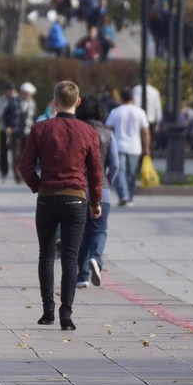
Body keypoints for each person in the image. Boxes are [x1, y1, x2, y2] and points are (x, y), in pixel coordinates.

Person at [18, 81, 103, 331]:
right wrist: (95, 201)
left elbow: (24, 165)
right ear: (77, 102)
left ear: (54, 101)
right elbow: (96, 171)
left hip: (47, 198)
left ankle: (47, 312)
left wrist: (38, 185)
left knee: (46, 254)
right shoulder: (89, 132)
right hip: (76, 199)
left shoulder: (40, 129)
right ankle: (66, 315)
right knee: (70, 257)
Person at [75, 95, 119, 290]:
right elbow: (115, 164)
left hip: (78, 190)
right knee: (99, 230)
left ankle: (82, 275)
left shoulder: (76, 132)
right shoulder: (108, 134)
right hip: (103, 190)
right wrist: (109, 180)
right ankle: (96, 258)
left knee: (81, 233)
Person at [105, 88, 150, 207]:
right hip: (135, 147)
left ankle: (124, 196)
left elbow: (108, 128)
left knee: (120, 172)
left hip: (119, 146)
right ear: (132, 99)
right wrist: (147, 148)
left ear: (121, 99)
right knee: (131, 173)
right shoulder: (140, 112)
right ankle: (129, 196)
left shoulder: (115, 112)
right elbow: (145, 132)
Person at [3, 82, 37, 184]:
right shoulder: (14, 102)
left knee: (26, 155)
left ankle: (24, 174)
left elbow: (34, 117)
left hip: (28, 133)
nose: (27, 96)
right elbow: (6, 115)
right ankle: (17, 176)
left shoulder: (32, 104)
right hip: (16, 132)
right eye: (25, 93)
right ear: (21, 92)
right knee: (16, 155)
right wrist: (8, 126)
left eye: (29, 94)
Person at [0, 83, 17, 182]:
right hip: (4, 129)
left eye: (12, 90)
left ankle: (18, 171)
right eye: (9, 90)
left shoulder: (18, 100)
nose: (11, 92)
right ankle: (4, 170)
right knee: (3, 151)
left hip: (16, 129)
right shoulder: (1, 101)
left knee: (18, 151)